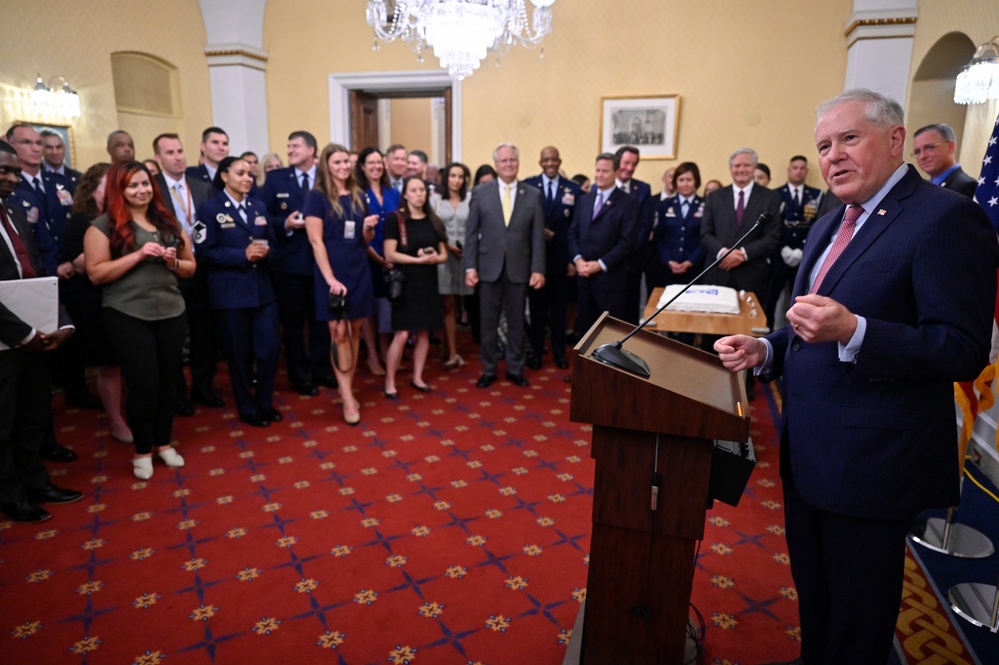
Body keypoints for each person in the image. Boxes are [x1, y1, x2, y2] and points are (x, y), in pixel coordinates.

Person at [715, 89, 999, 665]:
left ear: (896, 141)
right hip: (809, 451)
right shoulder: (830, 219)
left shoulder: (946, 218)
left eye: (849, 139)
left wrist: (857, 332)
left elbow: (962, 349)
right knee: (816, 594)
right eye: (824, 145)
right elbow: (806, 323)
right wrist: (766, 348)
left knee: (858, 613)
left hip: (874, 461)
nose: (833, 157)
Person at [84, 161, 195, 480]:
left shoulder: (168, 221)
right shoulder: (103, 226)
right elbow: (95, 273)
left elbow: (190, 267)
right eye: (133, 185)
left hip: (171, 310)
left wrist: (173, 262)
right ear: (120, 189)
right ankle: (142, 450)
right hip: (127, 314)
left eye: (145, 183)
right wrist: (138, 254)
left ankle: (163, 443)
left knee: (168, 381)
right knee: (144, 383)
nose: (141, 190)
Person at [0, 141, 84, 523]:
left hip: (34, 334)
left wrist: (58, 321)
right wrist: (23, 333)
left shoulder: (17, 213)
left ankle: (36, 480)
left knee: (34, 412)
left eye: (15, 171)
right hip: (7, 340)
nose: (12, 178)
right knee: (4, 421)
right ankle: (10, 493)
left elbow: (38, 274)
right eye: (4, 170)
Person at [193, 156, 280, 428]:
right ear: (224, 176)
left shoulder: (259, 206)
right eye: (240, 173)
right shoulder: (209, 209)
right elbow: (205, 252)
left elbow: (274, 246)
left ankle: (265, 402)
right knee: (239, 354)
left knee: (269, 349)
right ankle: (246, 406)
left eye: (250, 174)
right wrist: (241, 255)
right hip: (230, 293)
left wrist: (266, 253)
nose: (247, 178)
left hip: (263, 292)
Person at [303, 144, 378, 425]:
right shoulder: (316, 197)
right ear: (326, 165)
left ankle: (348, 385)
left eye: (346, 161)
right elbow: (315, 240)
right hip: (330, 273)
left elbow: (363, 240)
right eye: (337, 162)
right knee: (339, 333)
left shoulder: (359, 195)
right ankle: (346, 395)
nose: (343, 167)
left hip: (358, 269)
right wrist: (330, 278)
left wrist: (368, 228)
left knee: (355, 330)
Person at [464, 143, 546, 388]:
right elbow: (471, 233)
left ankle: (515, 368)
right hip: (488, 268)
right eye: (504, 161)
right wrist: (470, 266)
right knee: (487, 323)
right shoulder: (481, 192)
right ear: (496, 164)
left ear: (518, 163)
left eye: (512, 160)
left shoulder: (532, 194)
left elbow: (537, 236)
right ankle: (489, 370)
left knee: (517, 322)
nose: (509, 164)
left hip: (520, 269)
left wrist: (538, 268)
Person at [152, 133, 223, 414]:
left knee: (204, 334)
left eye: (180, 150)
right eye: (170, 152)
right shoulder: (152, 188)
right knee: (174, 337)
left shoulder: (202, 186)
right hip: (170, 269)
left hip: (202, 268)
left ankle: (204, 387)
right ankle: (178, 395)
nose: (178, 156)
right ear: (158, 158)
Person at [61, 162, 132, 443]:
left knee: (130, 360)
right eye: (109, 186)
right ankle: (116, 421)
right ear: (92, 190)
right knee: (109, 363)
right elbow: (82, 265)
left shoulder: (124, 219)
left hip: (125, 297)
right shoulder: (79, 222)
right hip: (93, 301)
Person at [260, 131, 335, 395]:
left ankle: (322, 370)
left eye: (296, 146)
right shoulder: (276, 178)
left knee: (320, 321)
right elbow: (262, 215)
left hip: (323, 261)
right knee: (292, 324)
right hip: (289, 263)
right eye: (288, 145)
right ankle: (299, 375)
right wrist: (285, 224)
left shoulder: (327, 178)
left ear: (312, 150)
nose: (290, 150)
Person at [383, 177, 448, 398]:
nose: (419, 194)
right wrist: (416, 260)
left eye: (422, 190)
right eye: (414, 190)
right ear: (406, 194)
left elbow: (444, 255)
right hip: (406, 282)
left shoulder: (433, 220)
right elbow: (389, 253)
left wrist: (431, 257)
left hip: (428, 282)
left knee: (424, 334)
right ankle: (390, 381)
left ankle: (417, 377)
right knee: (402, 334)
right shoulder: (396, 219)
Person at [568, 153, 640, 336]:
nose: (599, 175)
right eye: (597, 170)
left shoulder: (628, 202)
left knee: (609, 334)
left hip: (611, 280)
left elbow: (627, 242)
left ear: (616, 172)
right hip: (584, 277)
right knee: (585, 332)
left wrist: (600, 264)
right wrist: (577, 260)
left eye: (605, 171)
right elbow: (572, 233)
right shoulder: (585, 200)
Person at [523, 146, 580, 370]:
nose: (550, 163)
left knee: (558, 312)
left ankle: (559, 353)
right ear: (540, 162)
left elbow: (575, 227)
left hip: (561, 260)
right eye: (545, 159)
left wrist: (572, 260)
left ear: (559, 161)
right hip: (535, 261)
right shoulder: (528, 185)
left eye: (553, 159)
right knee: (536, 312)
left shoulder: (572, 189)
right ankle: (536, 352)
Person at [355, 146, 400, 376]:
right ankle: (372, 355)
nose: (375, 167)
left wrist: (392, 256)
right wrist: (378, 257)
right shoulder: (357, 194)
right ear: (362, 167)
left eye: (378, 163)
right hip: (367, 258)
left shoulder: (392, 193)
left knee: (385, 307)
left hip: (392, 258)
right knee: (369, 310)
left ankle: (385, 350)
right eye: (370, 163)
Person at [764, 156, 822, 328]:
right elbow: (773, 225)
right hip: (779, 254)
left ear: (806, 171)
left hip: (804, 255)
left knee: (800, 298)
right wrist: (782, 247)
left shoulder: (817, 195)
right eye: (795, 167)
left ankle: (796, 335)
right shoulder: (775, 194)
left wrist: (802, 249)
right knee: (771, 298)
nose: (798, 171)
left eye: (802, 168)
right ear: (789, 171)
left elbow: (817, 224)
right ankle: (767, 336)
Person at [435, 162, 473, 369]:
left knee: (458, 304)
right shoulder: (436, 200)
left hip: (465, 257)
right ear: (446, 178)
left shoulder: (471, 199)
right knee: (447, 303)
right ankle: (452, 351)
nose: (456, 180)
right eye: (453, 176)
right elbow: (431, 228)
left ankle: (446, 341)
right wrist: (447, 246)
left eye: (461, 176)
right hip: (444, 256)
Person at [650, 161, 706, 289]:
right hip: (667, 269)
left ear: (696, 181)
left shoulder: (706, 205)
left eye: (689, 180)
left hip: (695, 269)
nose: (685, 184)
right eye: (681, 180)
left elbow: (706, 238)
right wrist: (669, 261)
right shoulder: (665, 205)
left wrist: (690, 261)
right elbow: (659, 237)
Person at [614, 146, 652, 324]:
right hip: (606, 263)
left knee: (630, 309)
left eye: (634, 164)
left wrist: (626, 250)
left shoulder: (643, 189)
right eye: (626, 163)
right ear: (617, 162)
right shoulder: (600, 186)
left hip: (632, 260)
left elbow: (645, 225)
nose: (630, 168)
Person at [913, 122, 978, 198]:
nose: (922, 156)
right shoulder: (921, 188)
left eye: (930, 147)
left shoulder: (966, 186)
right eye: (917, 152)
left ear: (950, 147)